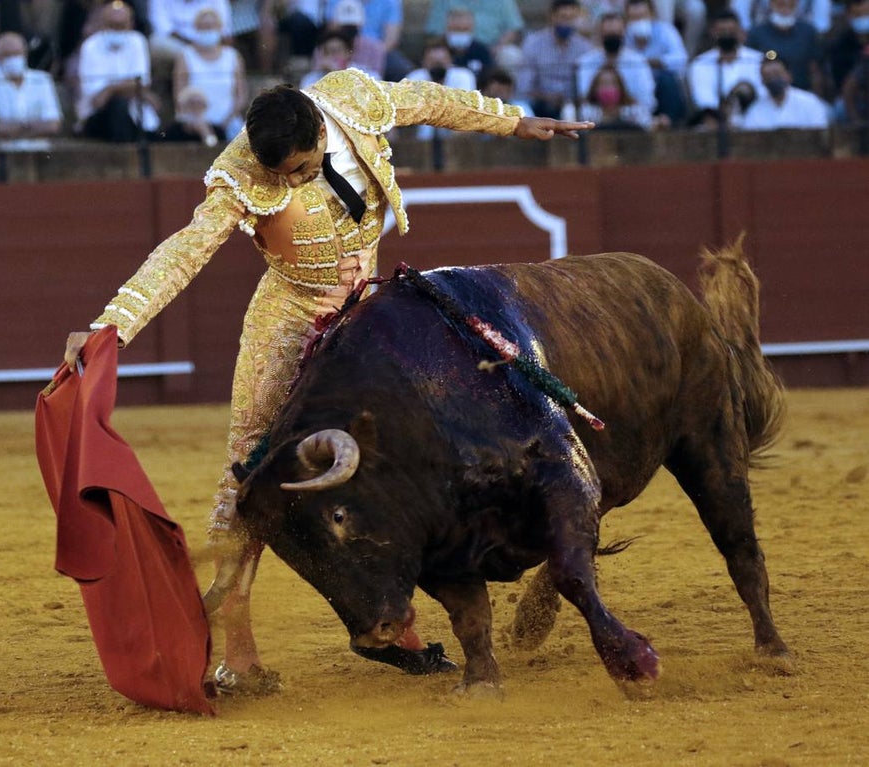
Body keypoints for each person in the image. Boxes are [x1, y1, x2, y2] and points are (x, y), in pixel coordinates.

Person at [61, 68, 593, 693]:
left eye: (301, 169)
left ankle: (396, 612)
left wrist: (512, 121)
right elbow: (185, 250)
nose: (290, 182)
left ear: (319, 131)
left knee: (398, 456)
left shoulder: (352, 98)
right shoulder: (240, 173)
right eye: (282, 175)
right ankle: (238, 651)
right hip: (288, 319)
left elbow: (426, 100)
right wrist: (112, 326)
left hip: (367, 314)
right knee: (248, 470)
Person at [77, 0, 161, 141]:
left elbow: (141, 83)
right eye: (112, 25)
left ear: (131, 24)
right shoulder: (90, 46)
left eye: (121, 25)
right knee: (118, 106)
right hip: (98, 117)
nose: (116, 30)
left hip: (135, 115)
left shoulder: (137, 41)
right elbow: (97, 98)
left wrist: (110, 89)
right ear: (102, 24)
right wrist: (134, 90)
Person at [0, 32, 63, 150]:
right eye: (7, 55)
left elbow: (53, 125)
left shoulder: (42, 80)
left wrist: (12, 130)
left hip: (40, 152)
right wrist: (29, 127)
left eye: (17, 53)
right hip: (3, 153)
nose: (13, 59)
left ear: (25, 54)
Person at [172, 6, 247, 140]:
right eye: (203, 27)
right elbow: (179, 95)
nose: (207, 30)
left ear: (220, 28)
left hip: (228, 123)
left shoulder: (233, 56)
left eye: (211, 27)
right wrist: (195, 119)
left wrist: (227, 121)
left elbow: (240, 96)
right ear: (196, 29)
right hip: (194, 123)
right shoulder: (185, 55)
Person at [517, 0, 595, 119]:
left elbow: (587, 87)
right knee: (521, 107)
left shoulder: (584, 47)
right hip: (538, 104)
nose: (567, 23)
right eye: (563, 17)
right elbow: (524, 87)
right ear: (552, 17)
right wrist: (546, 97)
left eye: (571, 18)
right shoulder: (533, 43)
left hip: (572, 104)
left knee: (576, 111)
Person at [576, 13, 657, 120]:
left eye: (616, 33)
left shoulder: (638, 61)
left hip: (631, 117)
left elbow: (648, 101)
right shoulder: (586, 61)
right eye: (608, 34)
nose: (612, 37)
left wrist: (620, 110)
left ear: (623, 33)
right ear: (600, 34)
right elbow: (583, 96)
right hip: (595, 117)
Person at [624, 0, 689, 126]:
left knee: (667, 80)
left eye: (642, 16)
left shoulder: (666, 31)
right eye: (634, 18)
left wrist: (655, 62)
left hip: (660, 84)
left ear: (652, 14)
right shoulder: (624, 36)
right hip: (634, 88)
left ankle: (668, 122)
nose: (638, 22)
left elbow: (681, 59)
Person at [687, 10, 766, 112]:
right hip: (716, 117)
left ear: (740, 31)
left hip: (754, 116)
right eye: (722, 31)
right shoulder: (700, 64)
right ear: (713, 32)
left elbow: (763, 94)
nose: (727, 34)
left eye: (731, 31)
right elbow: (703, 99)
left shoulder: (758, 60)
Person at [405, 39, 479, 139]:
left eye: (441, 61)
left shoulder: (463, 76)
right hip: (420, 132)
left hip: (454, 131)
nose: (437, 65)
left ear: (450, 61)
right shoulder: (413, 78)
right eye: (432, 61)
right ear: (424, 62)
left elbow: (466, 110)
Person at [746, 0, 823, 93]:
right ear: (771, 4)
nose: (785, 9)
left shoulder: (808, 32)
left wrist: (816, 97)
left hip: (802, 91)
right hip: (766, 93)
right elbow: (750, 67)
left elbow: (815, 69)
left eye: (790, 5)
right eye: (781, 4)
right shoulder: (756, 33)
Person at [325, 0, 413, 81]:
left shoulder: (390, 2)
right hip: (343, 45)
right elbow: (332, 31)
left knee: (398, 68)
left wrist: (373, 53)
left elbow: (391, 39)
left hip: (378, 49)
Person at [424, 0, 523, 69]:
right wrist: (447, 46)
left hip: (492, 48)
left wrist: (497, 47)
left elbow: (513, 29)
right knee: (436, 54)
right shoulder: (443, 1)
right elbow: (434, 31)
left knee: (511, 55)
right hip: (450, 48)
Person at [740, 54, 830, 128]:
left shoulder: (810, 102)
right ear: (762, 81)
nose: (773, 79)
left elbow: (820, 131)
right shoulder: (755, 109)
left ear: (788, 76)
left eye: (777, 74)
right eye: (768, 76)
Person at [562, 63, 653, 128]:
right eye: (604, 84)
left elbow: (649, 125)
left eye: (613, 83)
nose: (608, 88)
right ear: (594, 89)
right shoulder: (587, 112)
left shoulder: (634, 112)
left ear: (621, 87)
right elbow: (568, 115)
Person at [439, 7, 496, 81]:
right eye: (456, 29)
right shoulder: (436, 49)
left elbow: (490, 76)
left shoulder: (481, 50)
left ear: (472, 28)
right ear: (447, 27)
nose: (460, 34)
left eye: (464, 30)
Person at [158, 83, 224, 144]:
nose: (196, 108)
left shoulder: (217, 131)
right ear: (183, 107)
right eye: (191, 103)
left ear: (205, 107)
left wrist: (205, 133)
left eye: (199, 104)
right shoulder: (172, 131)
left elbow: (215, 148)